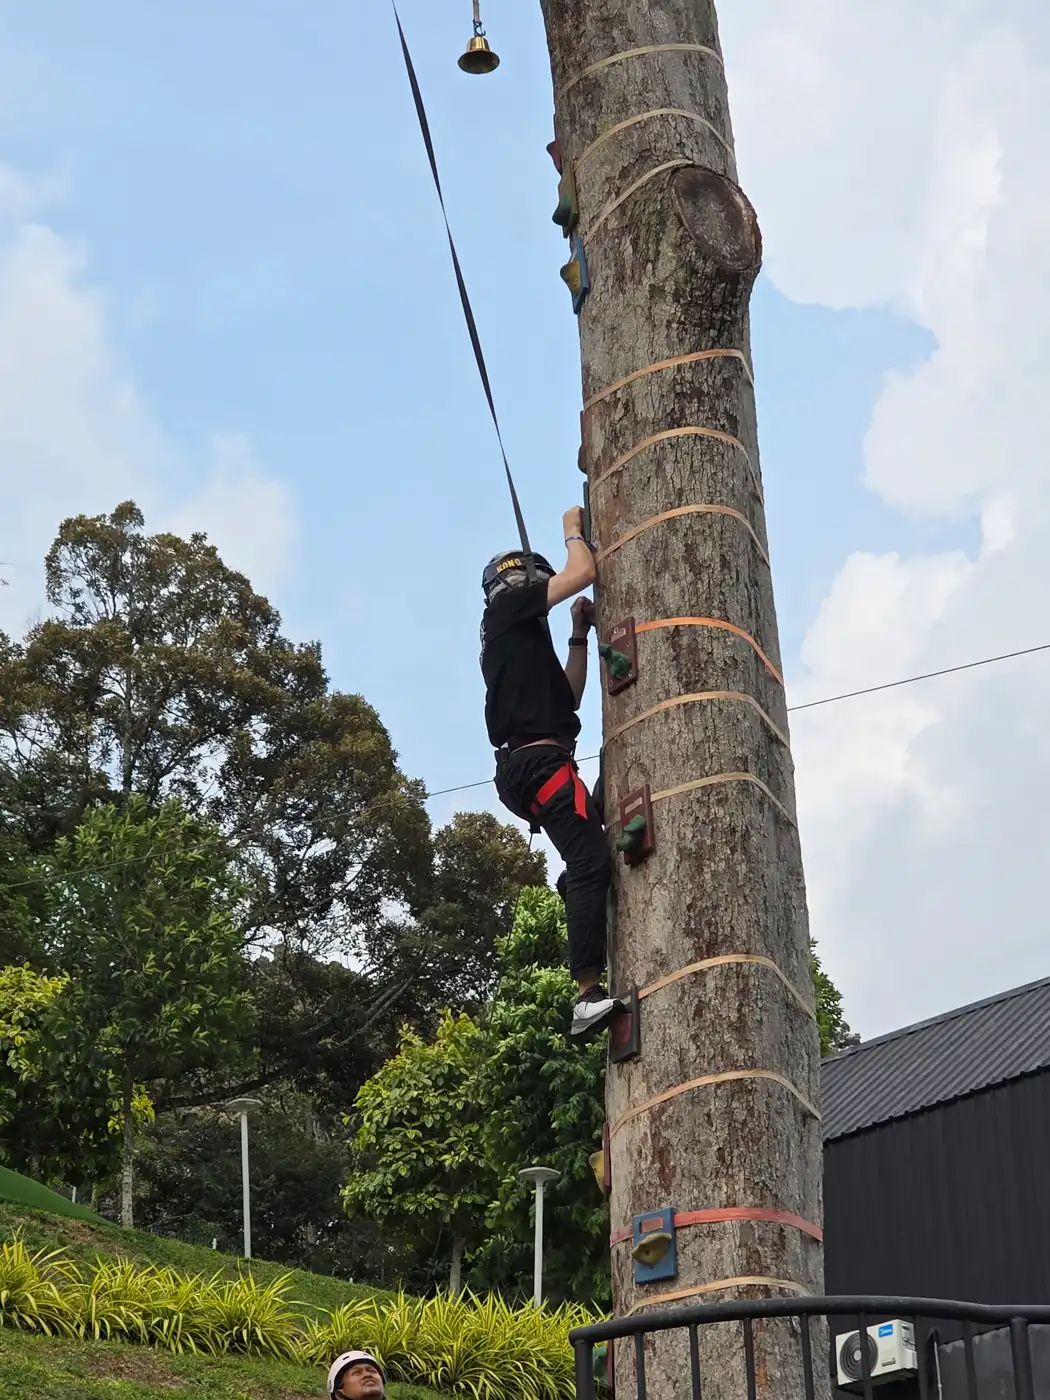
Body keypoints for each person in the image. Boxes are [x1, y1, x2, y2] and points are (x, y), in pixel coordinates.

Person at [481, 506, 621, 1041]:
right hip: (537, 764)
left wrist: (577, 635)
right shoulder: (507, 610)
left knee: (593, 827)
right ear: (519, 583)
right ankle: (587, 994)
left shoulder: (517, 638)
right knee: (590, 861)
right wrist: (571, 530)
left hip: (534, 763)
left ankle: (572, 887)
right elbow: (582, 572)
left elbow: (568, 698)